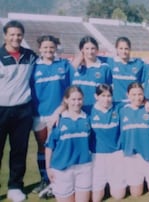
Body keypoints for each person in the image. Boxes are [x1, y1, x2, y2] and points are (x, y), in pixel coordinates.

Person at [30, 35, 73, 197]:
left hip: (60, 114)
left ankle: (61, 180)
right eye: (45, 47)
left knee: (58, 147)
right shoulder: (33, 67)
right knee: (42, 147)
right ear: (40, 49)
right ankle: (45, 180)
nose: (48, 50)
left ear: (56, 48)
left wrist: (61, 109)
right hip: (39, 115)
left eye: (51, 47)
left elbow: (70, 90)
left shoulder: (63, 65)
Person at [0, 20, 37, 202]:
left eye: (19, 34)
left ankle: (15, 186)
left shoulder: (30, 56)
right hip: (1, 110)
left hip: (23, 110)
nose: (16, 38)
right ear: (5, 35)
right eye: (12, 34)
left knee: (19, 151)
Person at [45, 86, 92, 202]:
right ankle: (53, 188)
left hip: (84, 167)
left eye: (79, 99)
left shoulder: (87, 117)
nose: (77, 102)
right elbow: (49, 147)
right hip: (62, 168)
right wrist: (48, 168)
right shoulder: (58, 120)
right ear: (66, 100)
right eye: (73, 99)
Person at [120, 82, 149, 196]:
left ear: (144, 95)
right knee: (136, 193)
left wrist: (148, 102)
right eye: (133, 95)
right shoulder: (121, 111)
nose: (137, 97)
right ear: (127, 95)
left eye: (140, 94)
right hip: (131, 156)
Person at [89, 84, 126, 201]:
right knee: (96, 198)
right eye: (103, 96)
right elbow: (69, 105)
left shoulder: (118, 107)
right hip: (97, 156)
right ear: (96, 96)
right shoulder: (89, 110)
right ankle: (102, 185)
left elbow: (136, 101)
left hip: (116, 154)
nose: (106, 99)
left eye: (109, 96)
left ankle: (112, 184)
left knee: (119, 196)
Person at [71, 36, 112, 114]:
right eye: (87, 48)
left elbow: (108, 91)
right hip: (77, 110)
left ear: (97, 50)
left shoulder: (104, 68)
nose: (90, 51)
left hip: (96, 111)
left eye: (93, 48)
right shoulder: (76, 67)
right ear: (82, 50)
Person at [107, 36, 144, 106]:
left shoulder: (139, 63)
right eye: (121, 48)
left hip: (133, 104)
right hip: (116, 103)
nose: (123, 51)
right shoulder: (110, 62)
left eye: (126, 49)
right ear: (116, 49)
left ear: (130, 49)